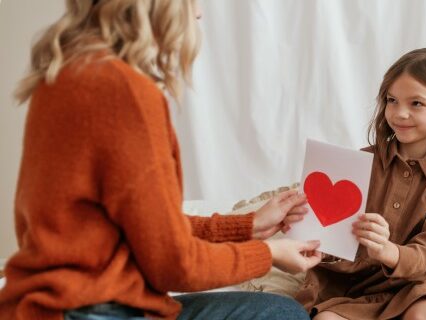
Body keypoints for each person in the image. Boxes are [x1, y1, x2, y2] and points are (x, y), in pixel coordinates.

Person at [0, 1, 322, 319]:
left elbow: (150, 228)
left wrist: (247, 226)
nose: (198, 12)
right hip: (94, 309)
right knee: (281, 314)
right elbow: (174, 264)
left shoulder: (63, 75)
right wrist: (269, 254)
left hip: (50, 303)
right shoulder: (124, 92)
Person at [295, 47, 426, 320]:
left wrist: (387, 250)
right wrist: (311, 236)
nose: (399, 113)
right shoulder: (358, 163)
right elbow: (330, 235)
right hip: (354, 283)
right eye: (392, 100)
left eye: (416, 103)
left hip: (415, 282)